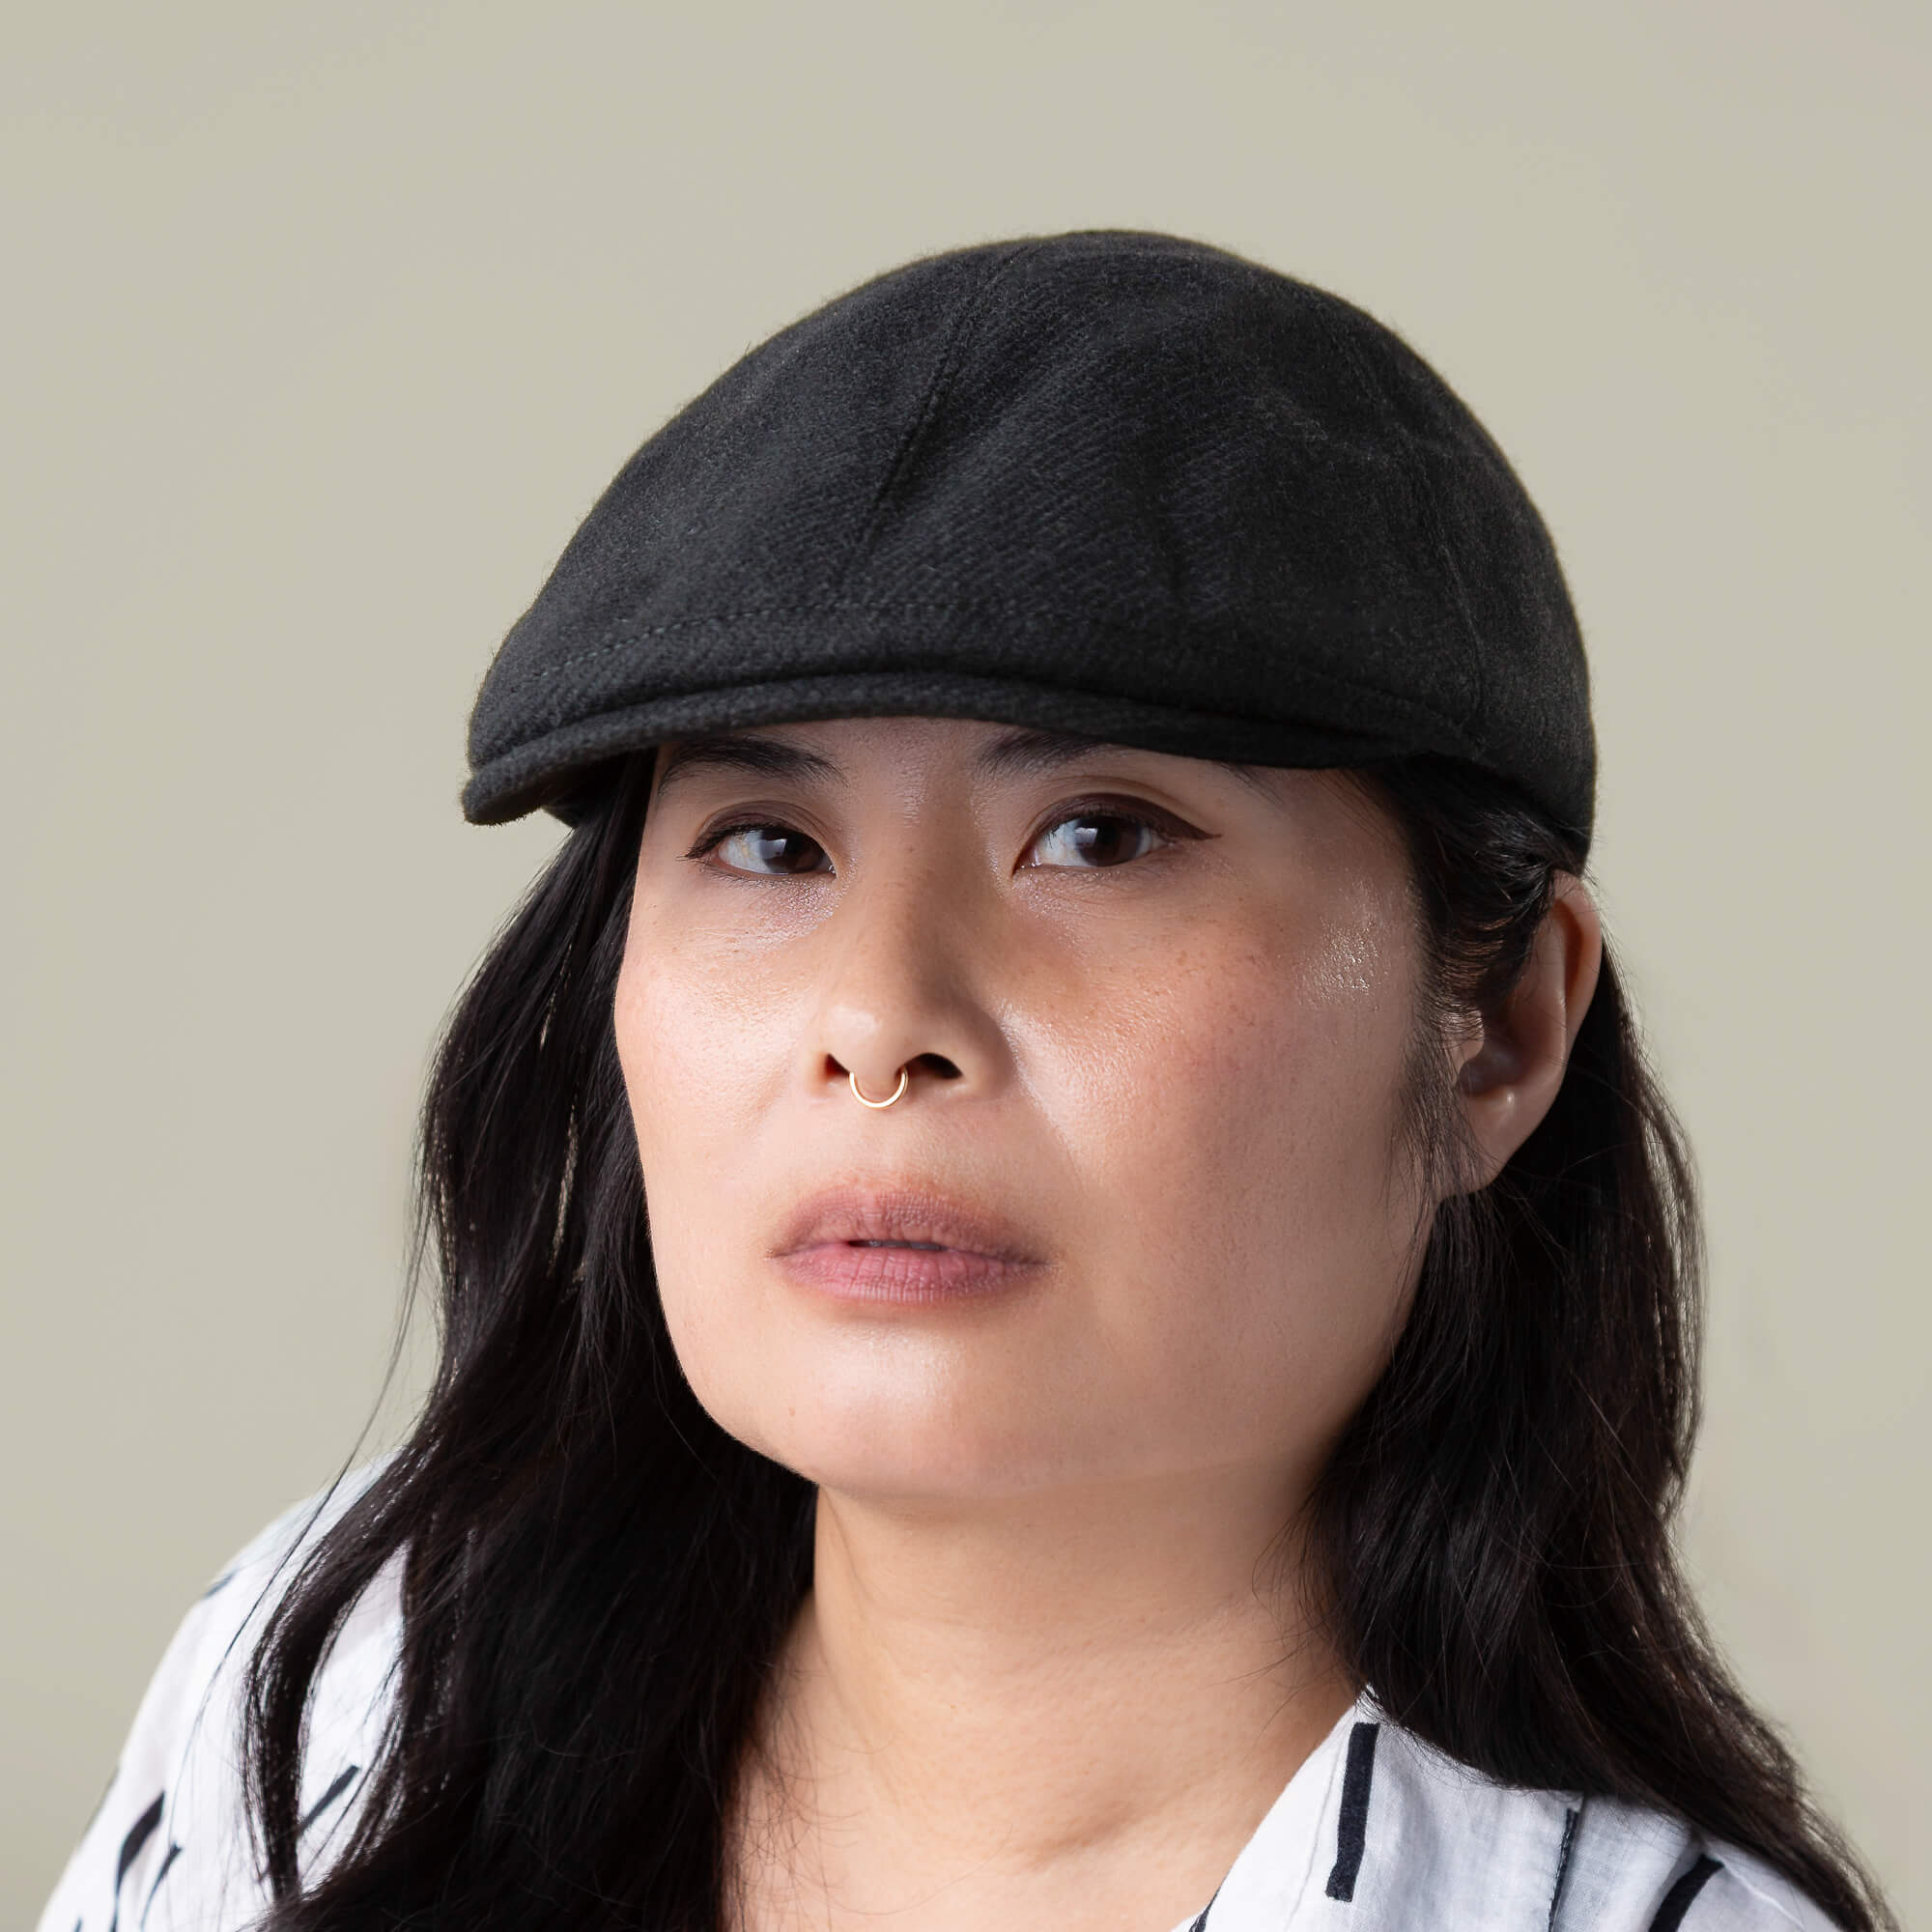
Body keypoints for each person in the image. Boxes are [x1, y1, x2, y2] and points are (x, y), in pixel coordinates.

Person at [38, 231, 1894, 1932]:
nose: (879, 1017)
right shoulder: (338, 1703)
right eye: (769, 845)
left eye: (1101, 836)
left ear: (1500, 1027)